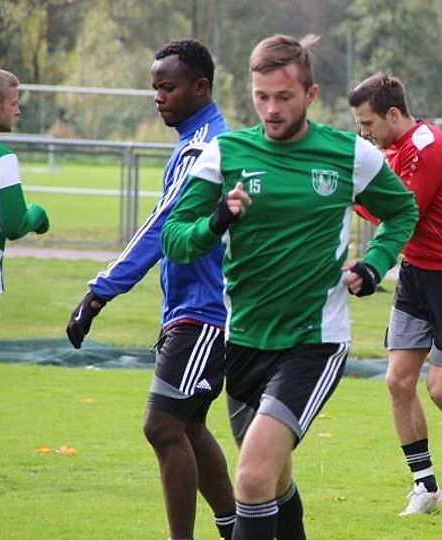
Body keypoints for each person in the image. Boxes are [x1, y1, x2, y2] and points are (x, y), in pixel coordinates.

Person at [161, 34, 417, 540]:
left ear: (310, 94)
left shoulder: (348, 154)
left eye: (284, 97)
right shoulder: (225, 154)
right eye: (261, 97)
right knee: (274, 481)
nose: (272, 109)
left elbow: (403, 210)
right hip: (244, 340)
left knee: (253, 477)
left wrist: (374, 265)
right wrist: (215, 221)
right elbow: (175, 239)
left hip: (313, 343)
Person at [63, 39, 237, 540]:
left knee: (161, 426)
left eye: (168, 87)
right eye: (154, 87)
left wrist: (100, 292)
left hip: (205, 312)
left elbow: (161, 226)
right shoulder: (196, 140)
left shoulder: (204, 147)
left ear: (200, 87)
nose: (158, 97)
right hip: (190, 308)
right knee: (188, 427)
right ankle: (238, 531)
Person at [347, 73, 442, 515]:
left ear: (393, 114)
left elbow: (401, 214)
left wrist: (348, 195)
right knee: (397, 381)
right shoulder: (393, 149)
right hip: (415, 275)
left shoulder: (427, 147)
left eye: (368, 123)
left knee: (441, 389)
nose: (363, 133)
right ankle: (425, 485)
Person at [0, 66, 49, 375]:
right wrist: (39, 215)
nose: (18, 111)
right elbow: (14, 224)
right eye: (14, 103)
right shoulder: (0, 156)